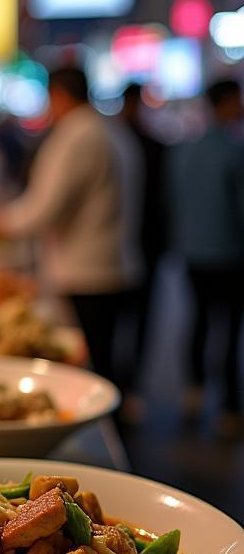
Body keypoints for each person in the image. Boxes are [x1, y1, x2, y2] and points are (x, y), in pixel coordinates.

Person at [0, 66, 142, 389]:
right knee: (101, 358)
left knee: (89, 368)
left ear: (58, 95)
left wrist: (3, 223)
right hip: (105, 263)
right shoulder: (106, 130)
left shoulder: (77, 135)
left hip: (86, 271)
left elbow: (46, 206)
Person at [169, 78, 244, 433]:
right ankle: (230, 405)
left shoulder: (186, 150)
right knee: (228, 329)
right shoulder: (234, 150)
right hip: (229, 252)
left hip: (193, 251)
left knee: (198, 320)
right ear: (225, 103)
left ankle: (194, 390)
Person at [119, 83, 168, 396]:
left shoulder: (118, 140)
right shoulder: (146, 144)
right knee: (137, 317)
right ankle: (129, 384)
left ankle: (129, 384)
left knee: (131, 318)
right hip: (142, 241)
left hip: (138, 241)